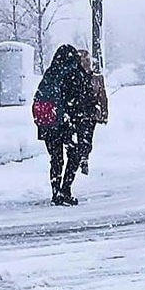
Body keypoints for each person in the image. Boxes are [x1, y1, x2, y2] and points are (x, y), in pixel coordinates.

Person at [33, 44, 94, 206]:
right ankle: (65, 189)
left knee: (56, 158)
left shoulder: (51, 72)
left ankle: (55, 192)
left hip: (48, 123)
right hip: (67, 122)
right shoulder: (74, 72)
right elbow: (82, 98)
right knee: (74, 154)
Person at [76, 49, 109, 175]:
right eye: (83, 60)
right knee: (81, 136)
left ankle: (84, 157)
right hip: (78, 112)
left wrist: (104, 113)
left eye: (87, 60)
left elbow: (102, 96)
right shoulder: (75, 78)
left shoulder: (96, 78)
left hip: (90, 113)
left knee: (87, 136)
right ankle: (82, 157)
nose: (86, 63)